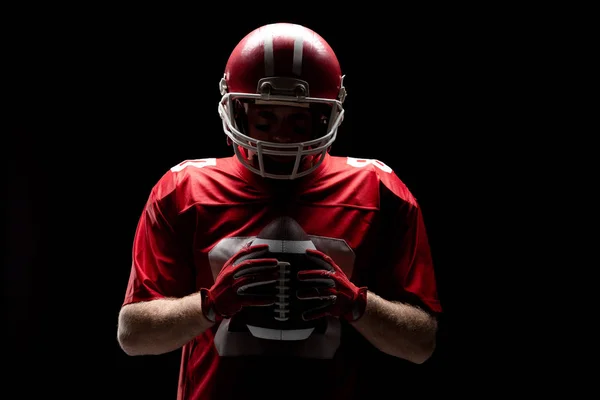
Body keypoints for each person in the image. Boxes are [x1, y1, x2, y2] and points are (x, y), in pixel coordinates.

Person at [117, 22, 442, 400]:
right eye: (265, 119)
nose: (281, 137)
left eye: (298, 120)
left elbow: (421, 344)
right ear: (238, 111)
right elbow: (133, 335)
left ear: (325, 117)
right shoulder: (184, 189)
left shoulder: (379, 190)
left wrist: (356, 303)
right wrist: (211, 304)